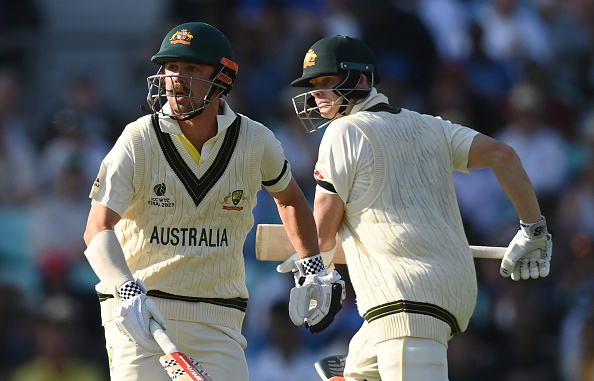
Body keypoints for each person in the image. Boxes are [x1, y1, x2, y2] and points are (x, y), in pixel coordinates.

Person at [283, 35, 553, 381]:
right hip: (445, 295)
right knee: (355, 370)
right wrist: (534, 231)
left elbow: (322, 231)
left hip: (405, 303)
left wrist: (314, 270)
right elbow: (505, 156)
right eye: (313, 85)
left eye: (326, 83)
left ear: (361, 80)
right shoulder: (432, 126)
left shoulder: (343, 130)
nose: (317, 94)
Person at [82, 22, 320, 381]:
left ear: (223, 77)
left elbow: (290, 200)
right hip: (141, 314)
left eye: (192, 68)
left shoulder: (256, 141)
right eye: (172, 68)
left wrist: (313, 266)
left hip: (218, 320)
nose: (177, 78)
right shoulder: (138, 139)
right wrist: (126, 289)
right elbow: (97, 228)